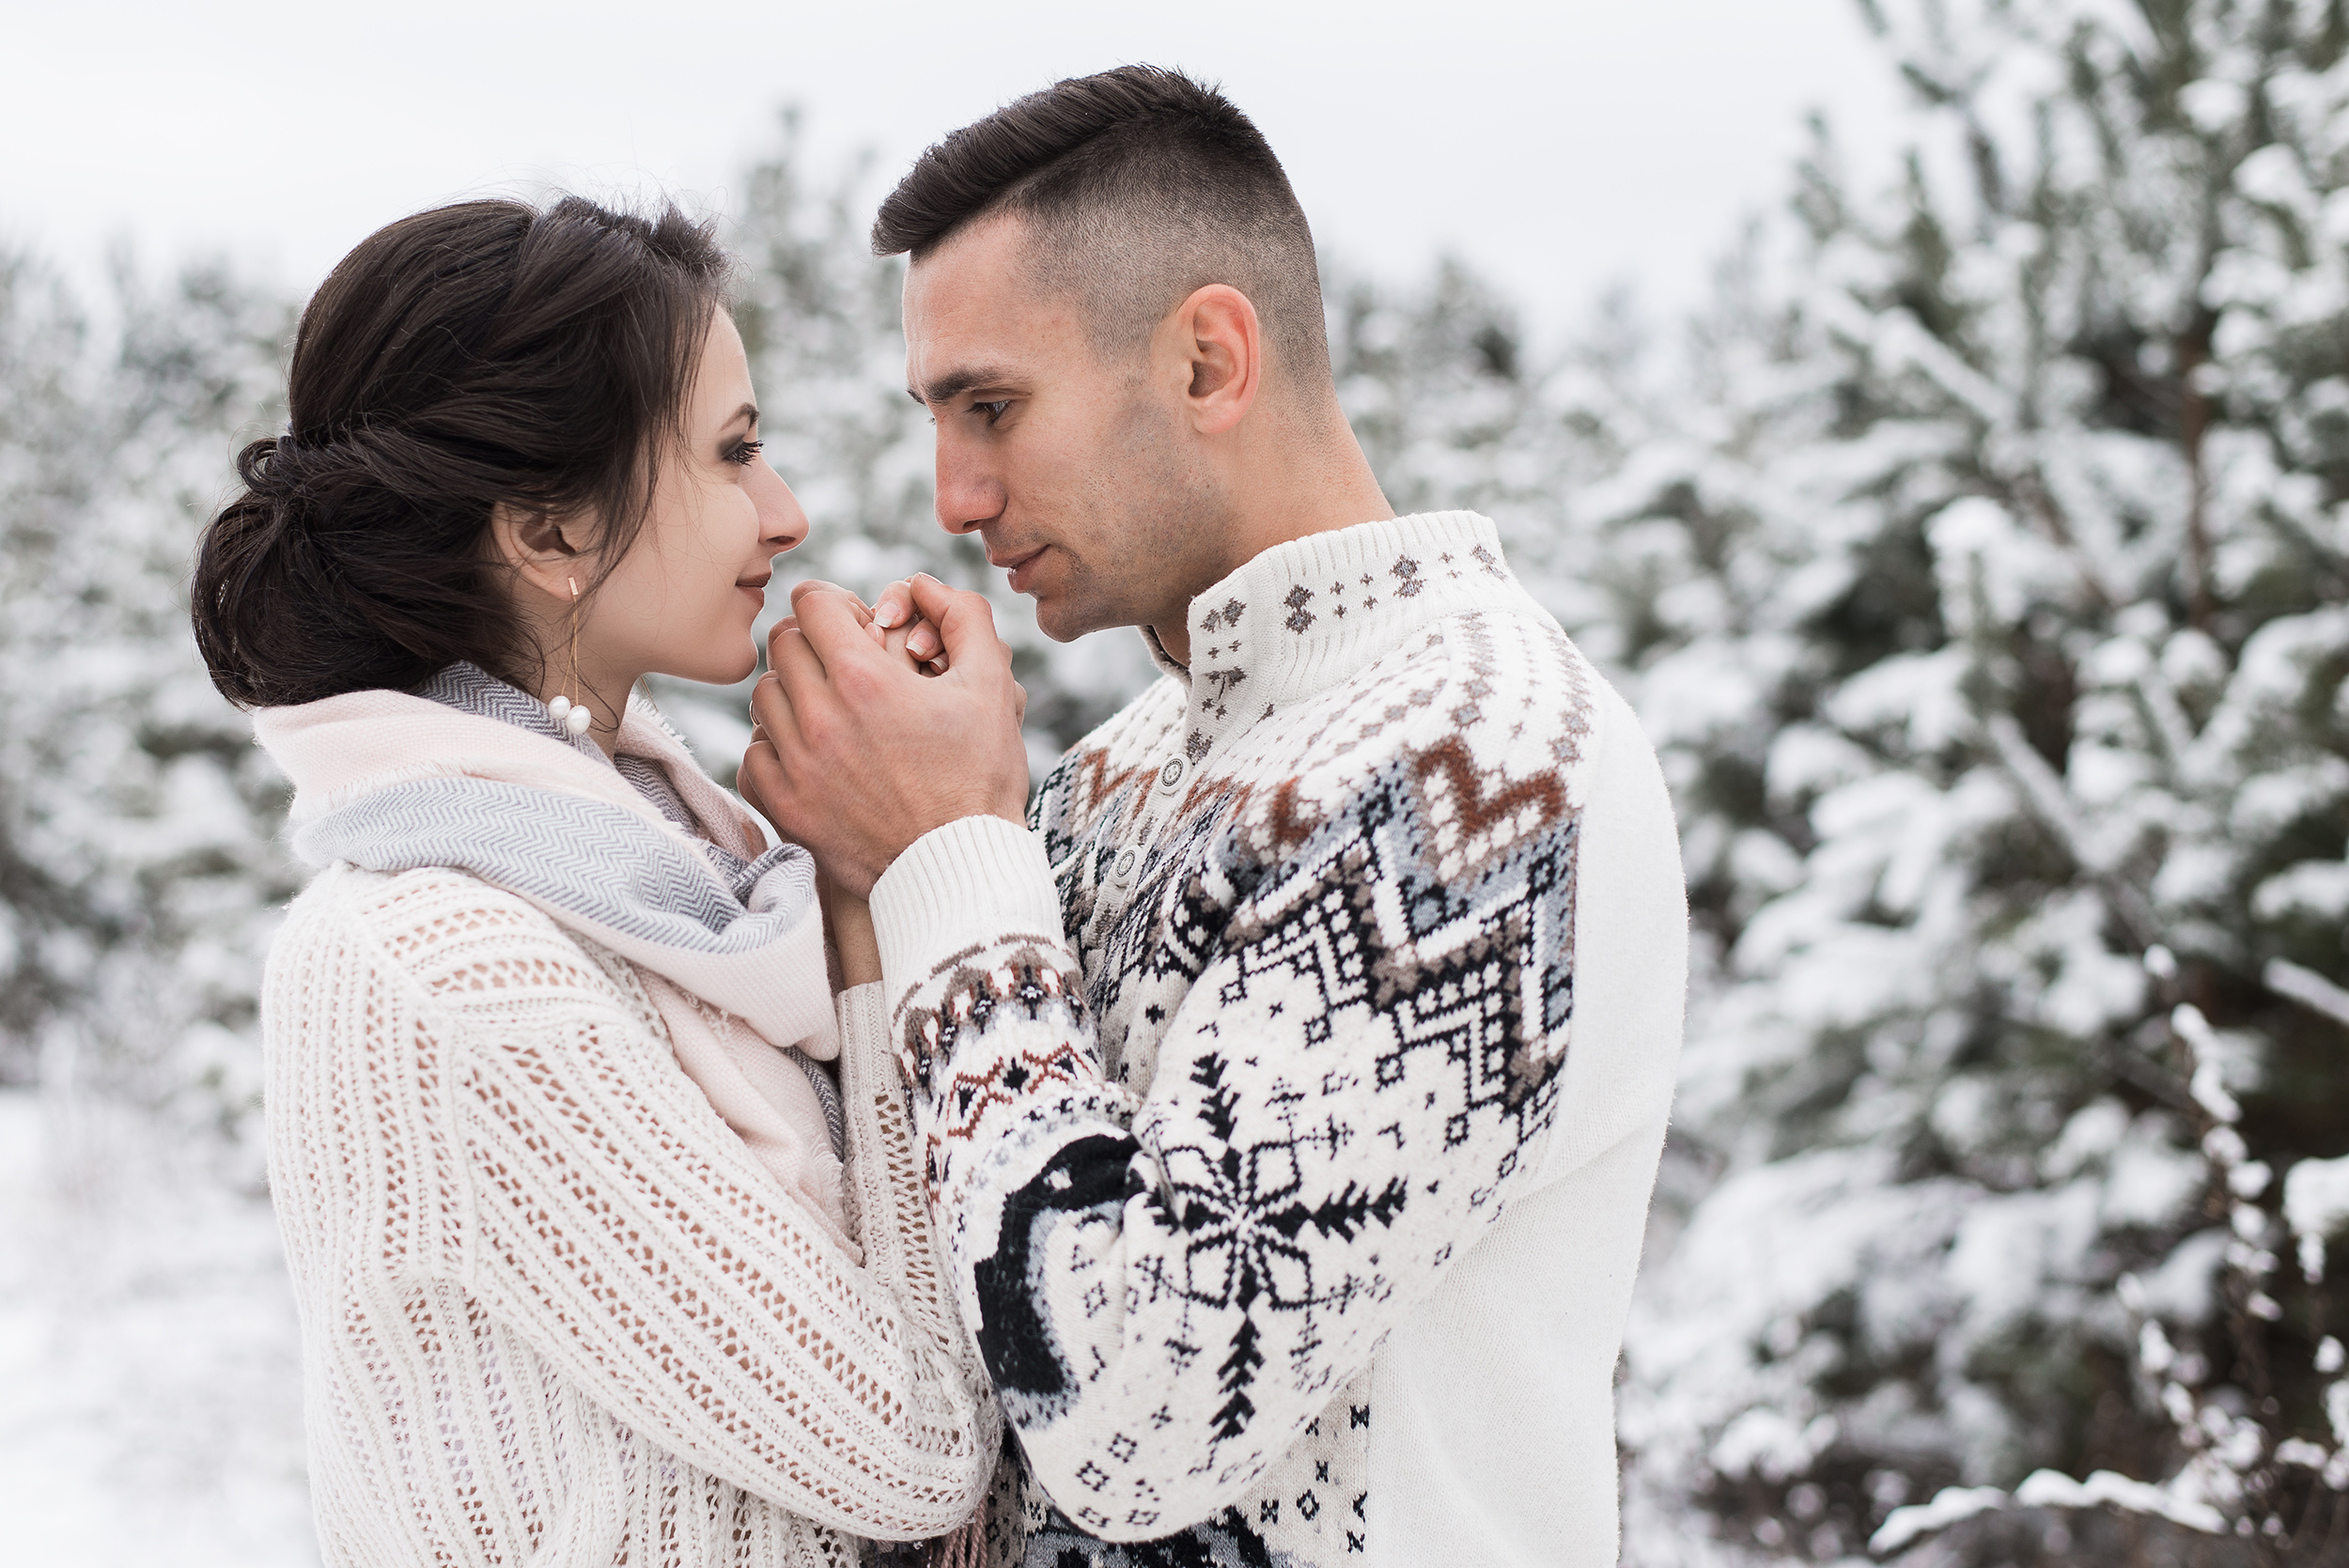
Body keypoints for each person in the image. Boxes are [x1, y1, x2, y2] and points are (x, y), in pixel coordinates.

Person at [739, 67, 1689, 1568]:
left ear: (1206, 361)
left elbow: (1141, 1409)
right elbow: (960, 1343)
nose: (954, 496)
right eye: (936, 418)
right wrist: (878, 877)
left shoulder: (1482, 765)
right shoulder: (1112, 771)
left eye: (992, 407)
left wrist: (951, 856)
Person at [190, 195, 998, 1568]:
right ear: (551, 533)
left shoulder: (677, 884)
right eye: (734, 454)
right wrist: (878, 895)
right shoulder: (449, 971)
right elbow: (918, 1445)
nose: (787, 514)